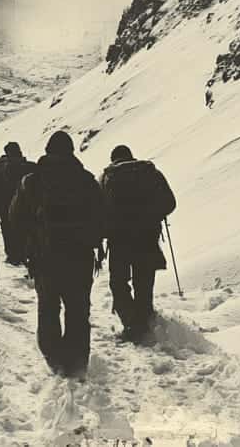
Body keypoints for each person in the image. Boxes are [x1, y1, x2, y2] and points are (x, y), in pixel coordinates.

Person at [10, 131, 104, 378]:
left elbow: (15, 218)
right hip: (79, 257)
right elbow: (103, 217)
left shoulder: (32, 181)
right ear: (72, 151)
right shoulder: (86, 180)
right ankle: (76, 363)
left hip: (45, 257)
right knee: (78, 309)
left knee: (48, 308)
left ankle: (54, 358)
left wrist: (28, 242)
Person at [100, 145, 176, 343]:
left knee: (119, 283)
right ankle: (144, 321)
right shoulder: (150, 173)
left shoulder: (108, 177)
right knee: (144, 282)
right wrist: (153, 215)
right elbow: (170, 202)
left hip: (119, 240)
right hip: (147, 237)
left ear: (113, 159)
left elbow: (98, 210)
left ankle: (133, 325)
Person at [0, 142, 35, 265]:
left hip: (5, 205)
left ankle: (13, 256)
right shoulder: (29, 166)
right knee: (25, 231)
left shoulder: (1, 166)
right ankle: (24, 255)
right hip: (26, 206)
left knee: (7, 230)